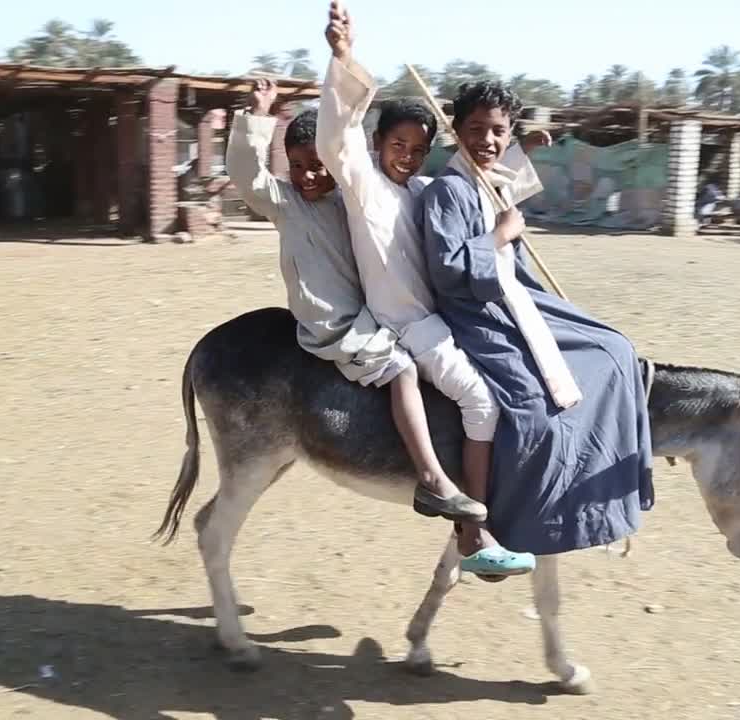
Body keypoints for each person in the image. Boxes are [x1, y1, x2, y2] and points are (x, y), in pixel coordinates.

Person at [317, 0, 539, 577]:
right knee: (481, 401)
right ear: (377, 144)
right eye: (397, 146)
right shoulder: (362, 181)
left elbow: (483, 169)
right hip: (407, 324)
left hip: (439, 317)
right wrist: (344, 59)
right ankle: (471, 531)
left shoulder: (421, 191)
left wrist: (523, 149)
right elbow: (337, 136)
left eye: (418, 150)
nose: (408, 157)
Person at [226, 77, 486, 526]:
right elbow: (248, 176)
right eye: (297, 165)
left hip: (371, 315)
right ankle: (431, 478)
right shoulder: (286, 203)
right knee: (403, 370)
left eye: (318, 164)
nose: (309, 175)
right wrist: (258, 116)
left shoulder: (352, 196)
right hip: (335, 322)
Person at [420, 79, 655, 558]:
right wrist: (500, 237)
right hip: (477, 313)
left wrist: (524, 149)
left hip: (515, 298)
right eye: (476, 128)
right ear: (456, 131)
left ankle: (612, 489)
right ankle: (488, 529)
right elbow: (446, 272)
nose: (487, 139)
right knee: (534, 410)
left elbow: (503, 178)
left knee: (615, 348)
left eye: (498, 131)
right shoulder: (446, 191)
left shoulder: (487, 180)